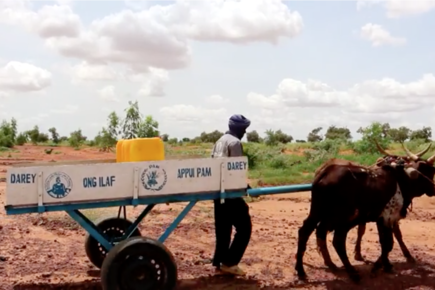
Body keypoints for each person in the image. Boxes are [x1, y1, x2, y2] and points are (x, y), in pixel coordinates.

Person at [210, 114, 252, 276]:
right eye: (244, 129)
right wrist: (243, 185)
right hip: (230, 193)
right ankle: (230, 262)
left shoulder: (219, 141)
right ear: (239, 129)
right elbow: (236, 169)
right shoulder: (235, 143)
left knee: (223, 228)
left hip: (217, 191)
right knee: (244, 228)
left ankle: (219, 261)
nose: (245, 133)